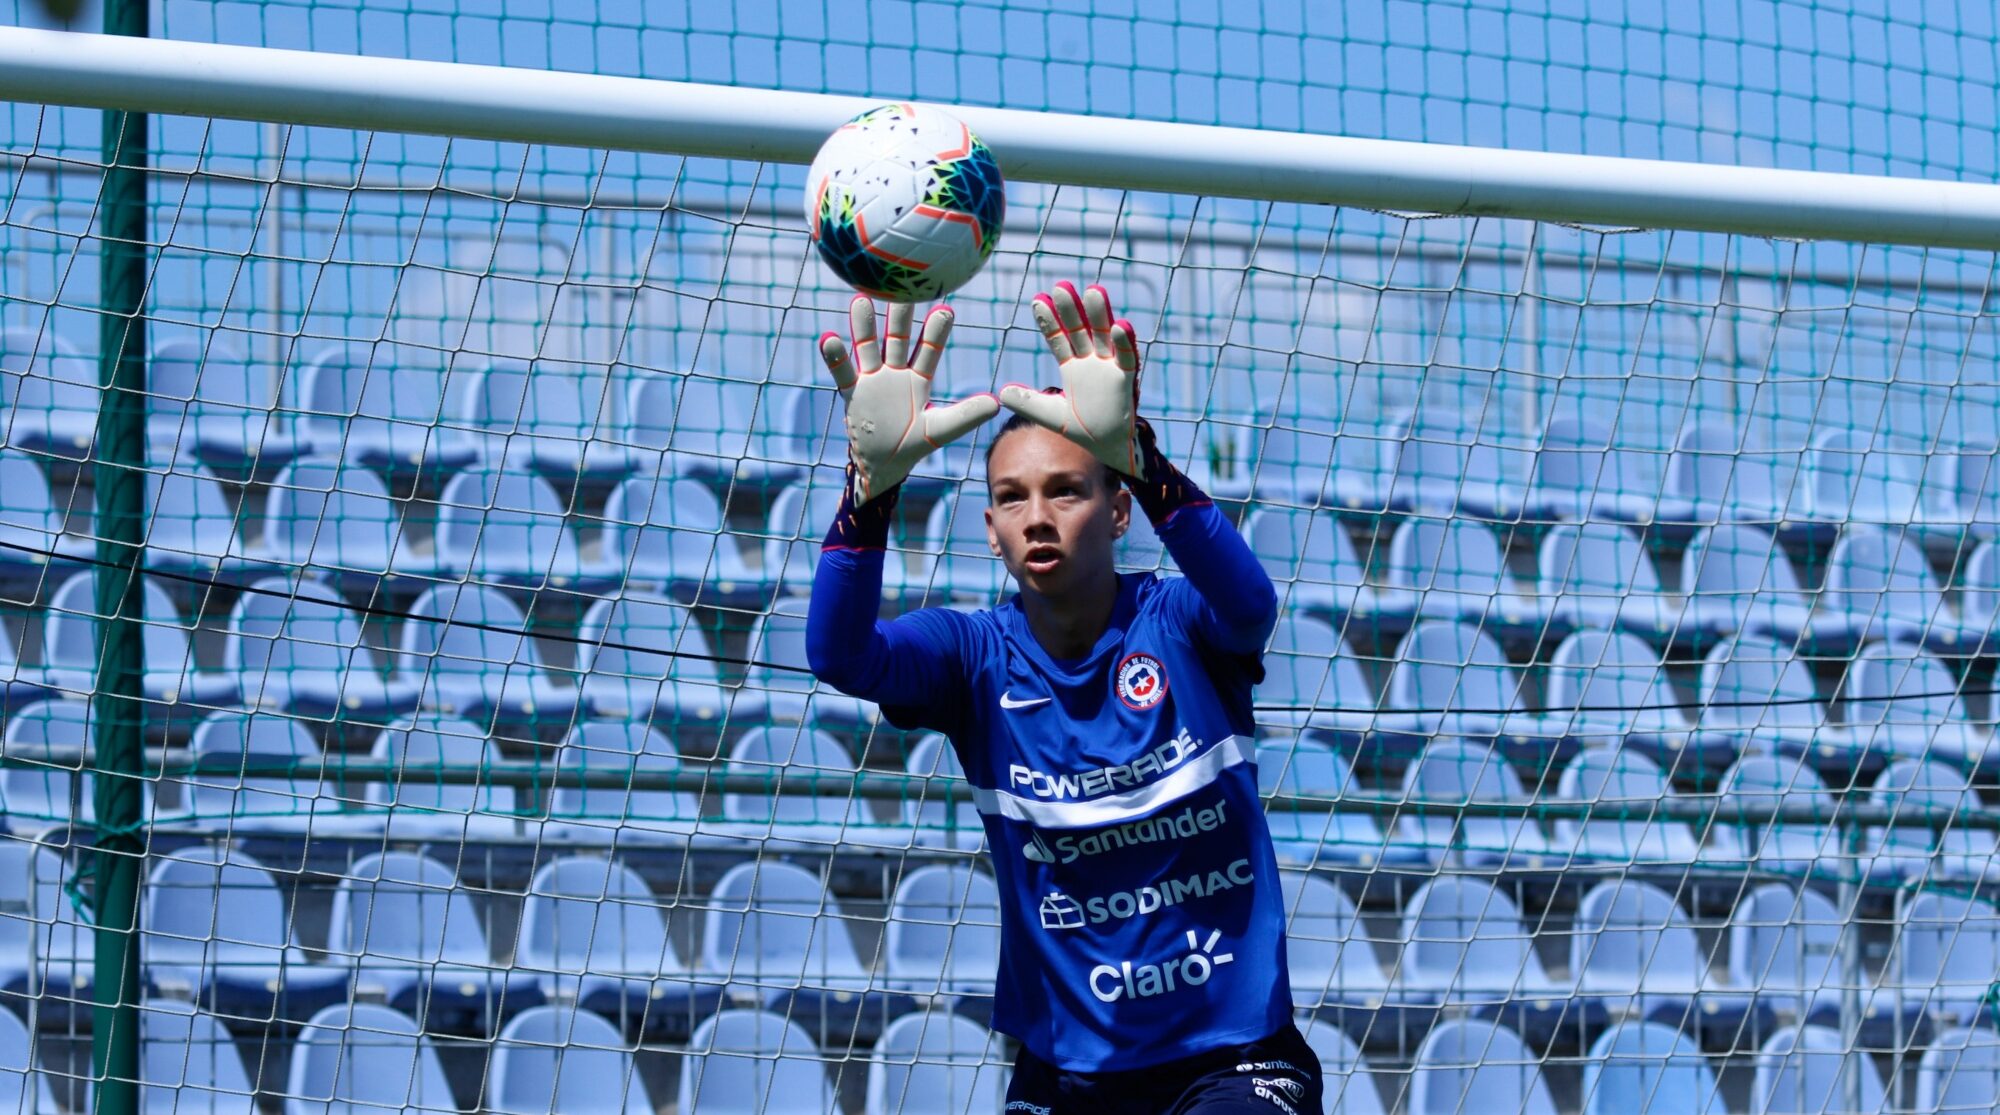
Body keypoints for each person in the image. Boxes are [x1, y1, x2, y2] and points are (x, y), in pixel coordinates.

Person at [806, 283, 1320, 1114]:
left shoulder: (1178, 622)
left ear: (1119, 509)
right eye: (1013, 497)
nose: (1037, 516)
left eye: (1066, 490)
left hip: (1234, 1059)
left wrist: (1141, 457)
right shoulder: (972, 655)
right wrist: (871, 490)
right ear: (989, 526)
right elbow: (839, 654)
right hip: (1066, 1074)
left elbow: (1251, 604)